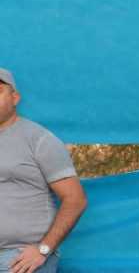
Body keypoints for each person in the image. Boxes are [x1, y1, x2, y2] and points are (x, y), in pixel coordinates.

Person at [0, 68, 88, 273]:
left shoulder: (39, 139)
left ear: (15, 98)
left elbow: (76, 199)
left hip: (18, 258)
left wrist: (43, 249)